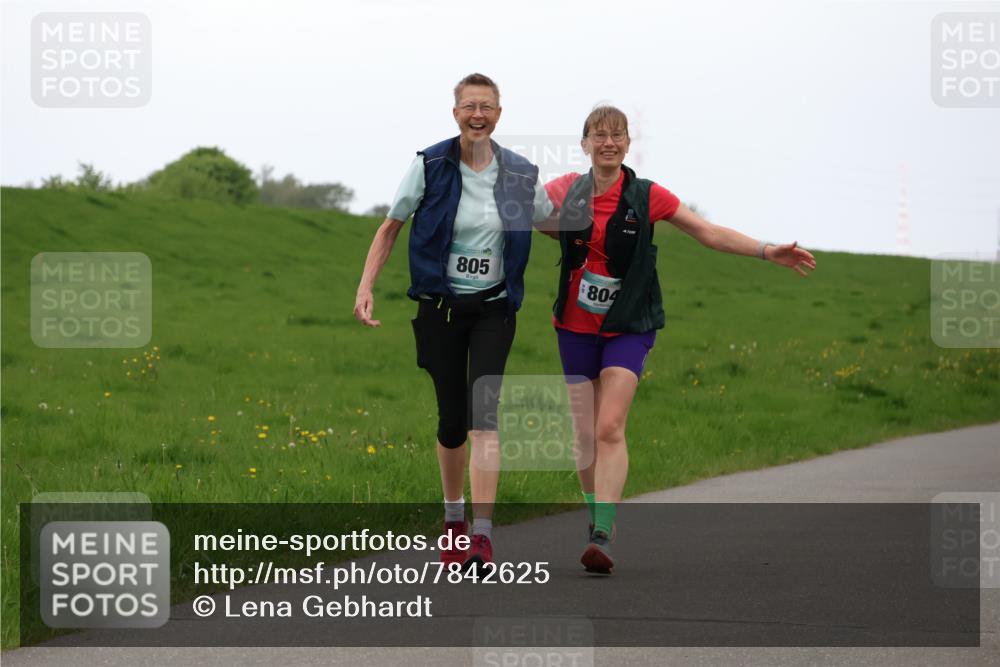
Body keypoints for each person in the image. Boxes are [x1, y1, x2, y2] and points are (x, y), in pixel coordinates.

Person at [543, 105, 816, 574]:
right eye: (598, 135)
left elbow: (708, 233)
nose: (608, 142)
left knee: (609, 427)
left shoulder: (648, 196)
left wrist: (768, 251)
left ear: (629, 144)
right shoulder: (566, 189)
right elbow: (519, 212)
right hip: (574, 325)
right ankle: (595, 516)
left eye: (617, 135)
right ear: (584, 143)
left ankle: (603, 534)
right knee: (585, 436)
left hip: (630, 324)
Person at [354, 73, 554, 571]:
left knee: (484, 417)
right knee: (451, 422)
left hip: (494, 308)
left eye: (487, 106)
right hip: (440, 309)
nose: (478, 114)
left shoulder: (521, 173)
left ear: (499, 115)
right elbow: (391, 226)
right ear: (456, 113)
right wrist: (365, 286)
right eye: (470, 106)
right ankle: (453, 520)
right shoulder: (429, 165)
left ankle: (482, 535)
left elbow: (554, 223)